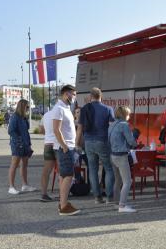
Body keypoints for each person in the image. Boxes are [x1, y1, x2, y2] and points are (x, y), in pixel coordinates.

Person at [76, 87, 115, 204]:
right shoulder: (108, 109)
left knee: (92, 170)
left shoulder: (84, 109)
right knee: (108, 168)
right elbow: (112, 127)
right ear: (101, 96)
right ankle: (109, 197)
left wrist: (77, 143)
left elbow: (80, 128)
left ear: (90, 96)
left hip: (88, 143)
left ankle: (97, 197)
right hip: (102, 142)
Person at [53, 84, 81, 216]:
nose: (75, 97)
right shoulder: (59, 108)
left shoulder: (66, 108)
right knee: (68, 176)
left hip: (69, 147)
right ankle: (63, 206)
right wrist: (64, 146)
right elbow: (56, 129)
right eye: (73, 94)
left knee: (64, 176)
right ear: (66, 94)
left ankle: (63, 203)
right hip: (65, 148)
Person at [108, 106, 138, 213]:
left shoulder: (112, 125)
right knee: (127, 181)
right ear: (125, 114)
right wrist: (136, 143)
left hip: (113, 155)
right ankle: (122, 205)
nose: (129, 116)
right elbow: (131, 141)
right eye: (128, 114)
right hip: (121, 156)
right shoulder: (124, 125)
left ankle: (117, 202)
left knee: (118, 180)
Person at [7, 99, 36, 195]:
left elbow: (26, 132)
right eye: (27, 107)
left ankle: (25, 185)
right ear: (22, 106)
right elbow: (11, 131)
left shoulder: (23, 118)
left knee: (24, 165)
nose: (28, 109)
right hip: (17, 144)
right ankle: (11, 187)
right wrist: (19, 141)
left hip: (25, 144)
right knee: (14, 165)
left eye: (29, 107)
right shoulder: (15, 117)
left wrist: (28, 144)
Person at [38, 109, 58, 202]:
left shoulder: (46, 115)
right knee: (62, 171)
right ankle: (63, 194)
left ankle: (44, 194)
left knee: (46, 171)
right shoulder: (62, 113)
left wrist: (49, 134)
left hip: (48, 144)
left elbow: (41, 130)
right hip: (59, 145)